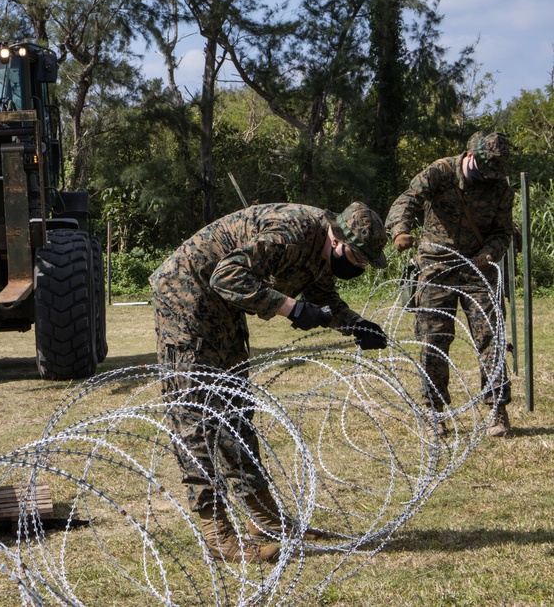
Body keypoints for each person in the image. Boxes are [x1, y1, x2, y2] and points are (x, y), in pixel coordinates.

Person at [150, 201, 389, 563]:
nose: (357, 267)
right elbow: (226, 276)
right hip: (187, 294)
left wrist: (356, 324)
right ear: (337, 238)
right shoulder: (291, 234)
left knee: (235, 409)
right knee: (196, 414)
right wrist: (294, 309)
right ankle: (216, 534)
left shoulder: (321, 247)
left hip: (224, 307)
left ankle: (266, 521)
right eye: (356, 258)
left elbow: (322, 297)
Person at [386, 131, 514, 438]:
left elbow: (503, 232)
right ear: (469, 156)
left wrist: (489, 253)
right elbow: (408, 199)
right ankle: (434, 411)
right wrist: (400, 230)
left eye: (493, 173)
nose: (487, 178)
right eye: (483, 170)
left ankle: (497, 410)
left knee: (491, 338)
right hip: (435, 265)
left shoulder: (500, 188)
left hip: (477, 269)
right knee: (434, 340)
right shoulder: (440, 172)